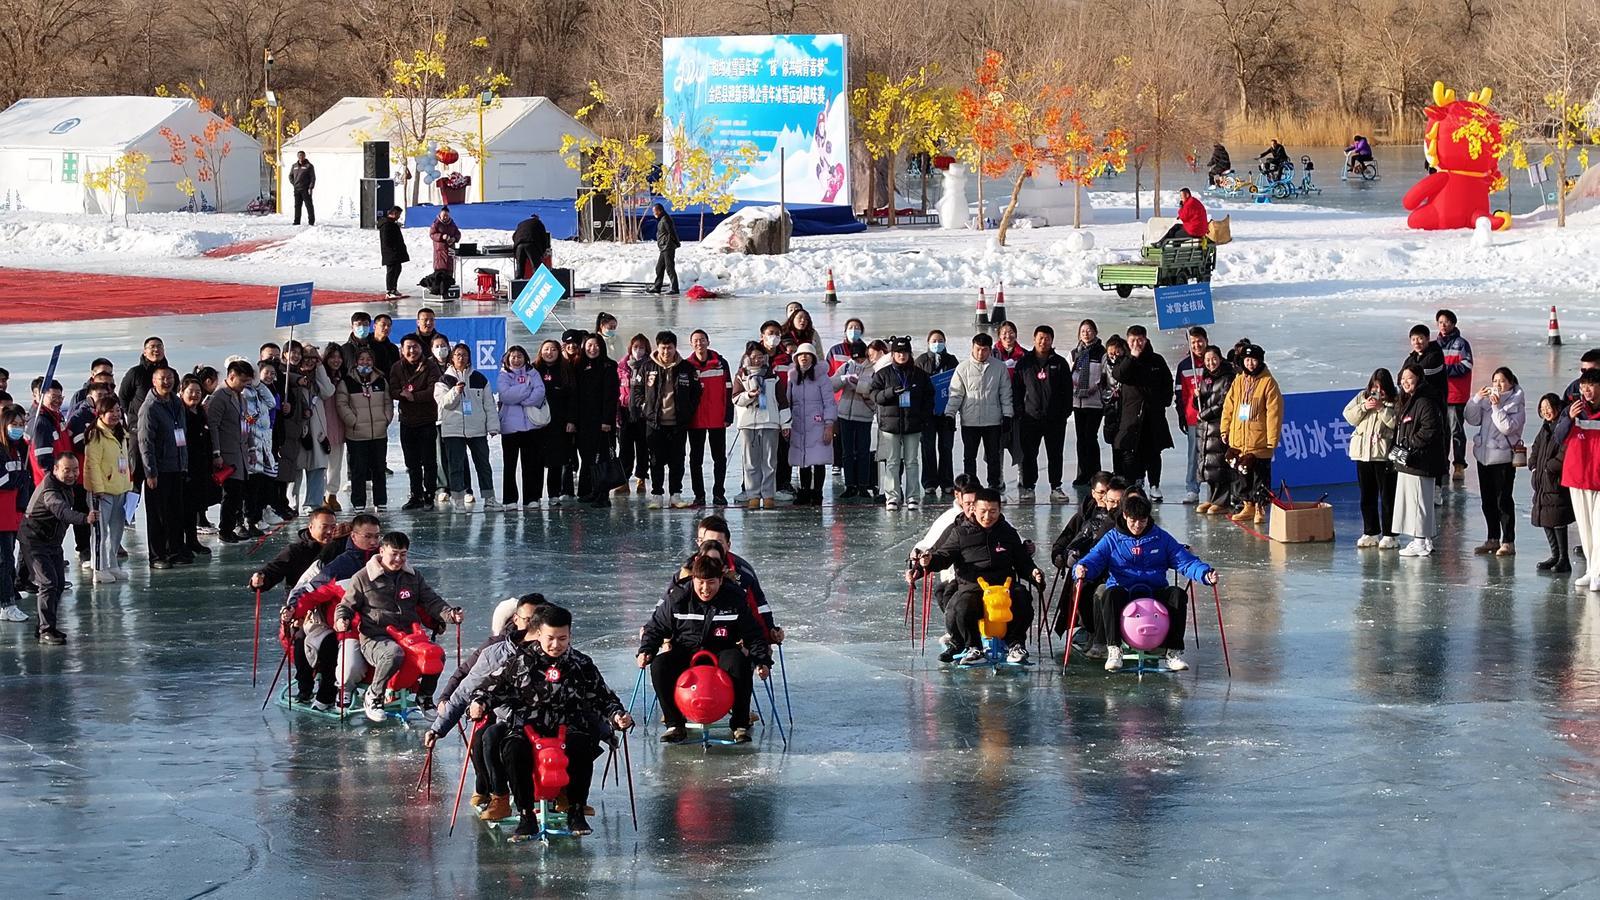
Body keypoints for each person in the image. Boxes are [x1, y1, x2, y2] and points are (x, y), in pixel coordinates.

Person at [451, 603, 631, 837]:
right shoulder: (520, 662)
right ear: (538, 634)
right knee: (513, 749)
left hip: (567, 726)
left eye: (562, 638)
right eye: (550, 638)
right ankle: (526, 814)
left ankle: (576, 810)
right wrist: (479, 703)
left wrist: (618, 715)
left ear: (570, 635)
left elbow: (603, 697)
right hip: (527, 727)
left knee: (582, 744)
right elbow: (490, 689)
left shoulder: (581, 664)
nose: (556, 645)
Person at [428, 594, 543, 822]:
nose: (532, 625)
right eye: (527, 619)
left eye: (538, 619)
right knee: (485, 739)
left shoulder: (555, 649)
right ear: (515, 619)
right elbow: (467, 681)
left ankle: (565, 796)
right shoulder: (496, 649)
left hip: (547, 719)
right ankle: (494, 792)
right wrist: (442, 717)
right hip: (505, 716)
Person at [637, 554, 772, 743]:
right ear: (693, 579)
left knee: (739, 663)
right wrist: (647, 650)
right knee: (660, 665)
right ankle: (674, 724)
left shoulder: (734, 599)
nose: (705, 589)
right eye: (701, 582)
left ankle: (740, 724)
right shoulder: (677, 599)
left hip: (722, 650)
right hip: (686, 650)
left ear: (720, 581)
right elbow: (656, 627)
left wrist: (762, 661)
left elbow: (753, 634)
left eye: (711, 583)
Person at [1075, 492, 1216, 672]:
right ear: (1125, 515)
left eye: (1142, 520)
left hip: (1154, 591)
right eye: (1133, 520)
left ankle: (1173, 652)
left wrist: (1205, 574)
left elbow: (1185, 562)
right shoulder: (1112, 538)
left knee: (1177, 594)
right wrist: (1083, 568)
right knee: (1109, 594)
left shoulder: (1160, 538)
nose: (1137, 525)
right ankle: (1114, 650)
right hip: (1124, 591)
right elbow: (1094, 558)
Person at [332, 531, 464, 721]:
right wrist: (342, 619)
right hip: (376, 637)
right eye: (394, 554)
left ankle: (424, 697)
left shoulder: (413, 577)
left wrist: (450, 614)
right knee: (393, 653)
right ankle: (374, 696)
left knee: (436, 654)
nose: (398, 559)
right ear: (382, 551)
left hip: (410, 636)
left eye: (403, 554)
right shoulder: (362, 578)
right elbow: (345, 605)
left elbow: (432, 601)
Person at [920, 487, 1045, 665]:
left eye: (993, 511)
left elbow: (1023, 561)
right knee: (961, 606)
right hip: (974, 587)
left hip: (1003, 587)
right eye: (983, 511)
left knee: (1022, 597)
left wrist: (1034, 573)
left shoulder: (1008, 533)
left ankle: (1015, 644)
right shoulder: (960, 533)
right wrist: (929, 561)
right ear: (974, 509)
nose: (987, 517)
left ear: (1000, 509)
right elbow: (943, 556)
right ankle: (973, 647)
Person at [19, 455, 97, 644]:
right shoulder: (50, 490)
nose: (72, 474)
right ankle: (45, 630)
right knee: (48, 583)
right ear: (55, 470)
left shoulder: (66, 486)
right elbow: (62, 512)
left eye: (75, 470)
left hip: (52, 542)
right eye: (66, 470)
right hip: (34, 541)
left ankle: (46, 626)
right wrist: (85, 519)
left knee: (59, 584)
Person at [1048, 473, 1127, 648]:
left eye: (1109, 494)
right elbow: (1068, 537)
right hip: (1088, 568)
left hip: (1113, 571)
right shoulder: (1087, 513)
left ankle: (1098, 632)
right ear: (1093, 493)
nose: (1105, 498)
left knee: (1096, 590)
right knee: (1082, 587)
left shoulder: (1125, 518)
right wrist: (1060, 555)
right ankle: (1089, 629)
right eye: (1101, 493)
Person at [632, 330, 701, 509]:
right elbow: (637, 390)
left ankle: (675, 495)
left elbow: (696, 393)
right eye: (663, 348)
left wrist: (687, 411)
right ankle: (657, 494)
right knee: (656, 460)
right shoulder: (647, 367)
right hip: (655, 423)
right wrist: (645, 408)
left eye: (669, 348)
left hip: (678, 424)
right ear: (658, 347)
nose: (666, 352)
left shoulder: (686, 368)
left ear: (675, 348)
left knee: (677, 460)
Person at [1218, 343, 1283, 525]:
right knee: (1243, 476)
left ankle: (1260, 508)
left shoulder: (1268, 383)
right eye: (1247, 360)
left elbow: (1274, 413)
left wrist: (1272, 439)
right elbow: (1229, 407)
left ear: (1260, 361)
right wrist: (1225, 429)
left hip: (1259, 441)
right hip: (1239, 439)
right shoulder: (1238, 380)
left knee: (1259, 478)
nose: (1250, 364)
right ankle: (1248, 506)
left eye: (1253, 360)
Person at [1108, 326, 1174, 502]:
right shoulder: (1124, 360)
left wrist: (1164, 402)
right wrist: (1132, 357)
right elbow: (1119, 375)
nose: (1136, 343)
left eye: (1140, 340)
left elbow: (1168, 382)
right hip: (1131, 416)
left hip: (1153, 415)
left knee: (1153, 452)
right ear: (1127, 341)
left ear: (1145, 340)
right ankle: (1134, 485)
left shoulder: (1156, 360)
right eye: (1132, 340)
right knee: (1131, 452)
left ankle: (1154, 485)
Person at [1464, 368, 1525, 556]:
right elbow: (1471, 419)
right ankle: (1492, 538)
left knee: (1503, 501)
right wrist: (1476, 399)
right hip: (1484, 457)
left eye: (1502, 381)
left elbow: (1507, 428)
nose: (1498, 385)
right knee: (1487, 500)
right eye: (1495, 381)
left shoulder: (1516, 404)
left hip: (1503, 459)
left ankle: (1508, 541)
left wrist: (1497, 407)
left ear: (1511, 383)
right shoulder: (1487, 400)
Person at [870, 337, 936, 510]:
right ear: (892, 354)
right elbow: (874, 395)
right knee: (892, 462)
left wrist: (923, 417)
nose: (902, 355)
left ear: (909, 354)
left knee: (912, 461)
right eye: (898, 352)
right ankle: (892, 497)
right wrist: (891, 392)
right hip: (890, 426)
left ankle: (913, 496)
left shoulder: (919, 374)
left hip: (913, 425)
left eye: (905, 352)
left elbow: (929, 397)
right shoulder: (883, 374)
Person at [696, 515, 783, 640]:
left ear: (728, 545)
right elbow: (672, 605)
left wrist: (769, 632)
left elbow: (758, 603)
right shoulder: (688, 570)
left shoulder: (741, 573)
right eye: (708, 542)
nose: (713, 547)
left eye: (719, 543)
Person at [436, 343, 500, 509]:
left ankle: (489, 498)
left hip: (477, 429)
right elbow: (443, 404)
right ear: (452, 358)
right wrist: (455, 391)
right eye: (458, 354)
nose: (461, 358)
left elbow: (489, 405)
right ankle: (458, 500)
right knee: (456, 466)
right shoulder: (444, 380)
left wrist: (493, 426)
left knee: (483, 465)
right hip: (453, 430)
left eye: (464, 354)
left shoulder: (480, 378)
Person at [1012, 325, 1072, 503]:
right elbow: (1017, 390)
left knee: (1055, 454)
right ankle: (1029, 487)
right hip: (1030, 418)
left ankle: (1056, 487)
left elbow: (1068, 391)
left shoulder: (1060, 363)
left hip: (1055, 419)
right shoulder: (1025, 363)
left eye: (1047, 338)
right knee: (1029, 454)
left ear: (1052, 340)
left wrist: (1064, 413)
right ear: (1034, 339)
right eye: (1040, 338)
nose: (1043, 342)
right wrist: (1020, 411)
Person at [1391, 364, 1446, 558]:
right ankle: (1425, 539)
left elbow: (1430, 429)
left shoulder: (1424, 401)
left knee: (1418, 502)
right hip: (1414, 460)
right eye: (1403, 379)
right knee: (1420, 501)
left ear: (1419, 379)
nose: (1405, 382)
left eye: (1410, 378)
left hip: (1420, 460)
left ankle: (1420, 541)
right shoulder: (1410, 400)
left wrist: (1409, 443)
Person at [946, 333, 1012, 493]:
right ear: (972, 348)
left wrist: (1007, 415)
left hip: (993, 420)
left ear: (990, 350)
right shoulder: (962, 368)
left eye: (984, 349)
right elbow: (956, 394)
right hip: (970, 421)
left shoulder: (999, 367)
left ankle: (994, 485)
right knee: (969, 457)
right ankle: (971, 487)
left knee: (993, 456)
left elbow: (1005, 393)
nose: (980, 353)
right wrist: (950, 414)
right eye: (977, 349)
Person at [139, 366, 189, 570]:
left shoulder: (176, 402)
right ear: (154, 381)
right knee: (158, 515)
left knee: (175, 512)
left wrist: (183, 463)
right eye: (162, 378)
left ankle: (174, 550)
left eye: (170, 378)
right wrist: (150, 472)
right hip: (159, 469)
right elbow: (145, 442)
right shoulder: (149, 407)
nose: (167, 382)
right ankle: (157, 555)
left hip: (176, 465)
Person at [1344, 369, 1400, 548]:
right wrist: (1364, 407)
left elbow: (1396, 423)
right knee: (1367, 495)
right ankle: (1370, 531)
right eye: (1375, 387)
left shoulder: (1395, 400)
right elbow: (1348, 416)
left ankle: (1390, 534)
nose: (1378, 391)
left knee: (1387, 497)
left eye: (1382, 388)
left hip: (1383, 455)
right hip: (1363, 454)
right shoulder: (1362, 396)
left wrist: (1381, 409)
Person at [81, 396, 132, 584]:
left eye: (118, 410)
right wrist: (98, 488)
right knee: (100, 532)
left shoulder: (120, 433)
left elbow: (125, 461)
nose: (115, 414)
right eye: (111, 411)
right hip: (102, 492)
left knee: (117, 531)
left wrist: (128, 485)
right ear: (100, 414)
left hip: (120, 489)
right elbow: (92, 464)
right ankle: (99, 568)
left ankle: (112, 564)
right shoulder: (96, 435)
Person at [734, 343, 791, 510]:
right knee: (750, 462)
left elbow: (782, 401)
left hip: (770, 422)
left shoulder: (772, 376)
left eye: (760, 357)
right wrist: (749, 395)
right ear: (747, 358)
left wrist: (785, 423)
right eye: (754, 357)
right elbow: (736, 398)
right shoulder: (741, 376)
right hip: (748, 423)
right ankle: (753, 495)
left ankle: (768, 495)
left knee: (770, 461)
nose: (757, 360)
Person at [337, 348, 394, 511]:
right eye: (362, 359)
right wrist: (353, 421)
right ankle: (358, 502)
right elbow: (341, 404)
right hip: (357, 435)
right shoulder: (347, 381)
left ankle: (381, 501)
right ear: (356, 362)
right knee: (358, 470)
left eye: (368, 359)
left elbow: (388, 402)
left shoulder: (381, 380)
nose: (365, 362)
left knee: (379, 469)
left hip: (379, 433)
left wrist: (386, 419)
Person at [390, 336, 442, 510]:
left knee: (429, 461)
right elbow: (392, 389)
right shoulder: (397, 367)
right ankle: (416, 495)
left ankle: (430, 495)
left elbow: (434, 390)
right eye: (408, 347)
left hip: (426, 420)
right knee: (412, 463)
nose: (412, 351)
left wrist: (414, 396)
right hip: (407, 421)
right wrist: (401, 394)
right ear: (402, 350)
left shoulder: (431, 366)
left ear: (421, 348)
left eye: (415, 347)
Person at [685, 330, 734, 507]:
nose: (699, 343)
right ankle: (699, 495)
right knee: (695, 459)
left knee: (719, 458)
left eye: (702, 340)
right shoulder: (687, 366)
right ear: (691, 344)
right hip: (696, 419)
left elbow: (729, 389)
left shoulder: (721, 363)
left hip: (717, 418)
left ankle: (719, 493)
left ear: (708, 341)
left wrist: (729, 414)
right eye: (696, 341)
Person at [497, 345, 549, 509]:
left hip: (531, 426)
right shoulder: (503, 375)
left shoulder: (533, 373)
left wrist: (521, 398)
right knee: (510, 465)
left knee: (530, 465)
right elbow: (506, 396)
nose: (516, 360)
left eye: (519, 356)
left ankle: (531, 498)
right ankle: (510, 499)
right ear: (508, 359)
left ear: (525, 358)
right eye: (513, 357)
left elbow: (540, 392)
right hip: (510, 428)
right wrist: (527, 387)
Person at [786, 343, 837, 506]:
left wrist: (829, 424)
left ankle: (818, 492)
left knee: (818, 460)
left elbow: (829, 402)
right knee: (803, 460)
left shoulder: (822, 378)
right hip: (799, 424)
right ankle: (805, 490)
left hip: (818, 424)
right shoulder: (793, 378)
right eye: (801, 355)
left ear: (813, 358)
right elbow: (788, 401)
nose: (804, 357)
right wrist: (786, 422)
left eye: (807, 355)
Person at [1530, 393, 1575, 574]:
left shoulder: (1563, 427)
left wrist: (1550, 468)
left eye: (1548, 407)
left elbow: (1565, 452)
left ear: (1557, 407)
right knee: (1545, 518)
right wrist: (1533, 466)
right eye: (1542, 409)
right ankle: (1555, 555)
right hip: (1542, 482)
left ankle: (1564, 559)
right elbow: (1536, 447)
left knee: (1557, 519)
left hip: (1555, 481)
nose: (1546, 412)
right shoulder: (1545, 428)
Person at [574, 335, 619, 507]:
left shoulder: (608, 366)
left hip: (602, 421)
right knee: (587, 457)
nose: (593, 349)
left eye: (596, 345)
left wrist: (607, 420)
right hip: (584, 421)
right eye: (589, 345)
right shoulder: (579, 366)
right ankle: (591, 490)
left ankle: (603, 495)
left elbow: (611, 395)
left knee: (602, 458)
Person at [1566, 370, 1600, 591]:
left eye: (1592, 385)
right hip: (1578, 475)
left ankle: (1598, 572)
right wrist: (1569, 418)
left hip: (1598, 475)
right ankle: (1591, 569)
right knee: (1585, 527)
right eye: (1583, 385)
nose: (1586, 390)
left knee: (1599, 528)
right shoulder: (1574, 408)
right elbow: (1558, 436)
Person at [831, 340, 877, 501]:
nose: (858, 361)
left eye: (860, 358)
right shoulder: (846, 366)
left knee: (863, 451)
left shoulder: (873, 369)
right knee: (847, 452)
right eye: (855, 358)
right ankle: (850, 485)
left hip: (864, 415)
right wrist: (844, 379)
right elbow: (832, 384)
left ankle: (863, 485)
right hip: (845, 415)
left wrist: (858, 384)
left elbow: (872, 389)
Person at [914, 331, 959, 498]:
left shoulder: (951, 360)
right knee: (928, 448)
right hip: (927, 413)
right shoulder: (921, 361)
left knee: (946, 447)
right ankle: (929, 482)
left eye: (940, 340)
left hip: (946, 412)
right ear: (928, 342)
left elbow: (957, 384)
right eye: (934, 340)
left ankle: (947, 482)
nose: (937, 343)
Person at [1193, 347, 1236, 516]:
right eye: (1207, 360)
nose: (1211, 363)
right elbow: (1199, 404)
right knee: (1209, 464)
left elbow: (1224, 403)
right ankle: (1211, 498)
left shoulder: (1228, 377)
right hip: (1206, 427)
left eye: (1214, 359)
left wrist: (1205, 414)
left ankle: (1222, 501)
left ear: (1220, 358)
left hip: (1219, 425)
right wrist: (1197, 397)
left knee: (1219, 465)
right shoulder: (1205, 378)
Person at [533, 340, 576, 506]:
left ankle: (554, 494)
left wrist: (571, 419)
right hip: (537, 422)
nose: (549, 353)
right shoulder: (534, 369)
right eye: (546, 349)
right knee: (536, 460)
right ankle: (535, 495)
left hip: (559, 421)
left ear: (559, 352)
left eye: (553, 349)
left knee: (556, 460)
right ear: (541, 351)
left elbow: (573, 397)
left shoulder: (565, 369)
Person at [0, 404, 32, 623]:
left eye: (21, 424)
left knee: (8, 557)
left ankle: (7, 597)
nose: (18, 428)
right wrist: (14, 478)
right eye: (14, 424)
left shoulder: (19, 449)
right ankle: (6, 604)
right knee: (4, 560)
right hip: (2, 513)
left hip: (13, 512)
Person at [1172, 326, 1210, 504]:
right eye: (1193, 342)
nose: (1197, 345)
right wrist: (1181, 414)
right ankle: (1192, 488)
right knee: (1194, 455)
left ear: (1206, 341)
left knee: (1215, 455)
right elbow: (1180, 393)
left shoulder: (1213, 361)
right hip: (1194, 417)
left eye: (1200, 341)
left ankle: (1217, 489)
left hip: (1214, 418)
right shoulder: (1185, 365)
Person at [1069, 320, 1107, 489]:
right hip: (1078, 402)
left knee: (1090, 437)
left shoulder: (1101, 352)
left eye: (1089, 330)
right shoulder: (1074, 353)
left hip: (1095, 402)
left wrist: (1095, 387)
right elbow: (1068, 374)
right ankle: (1082, 473)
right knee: (1081, 439)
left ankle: (1095, 473)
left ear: (1095, 332)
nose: (1086, 333)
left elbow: (1105, 375)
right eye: (1083, 331)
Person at [1436, 309, 1473, 480]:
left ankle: (1459, 465)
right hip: (1439, 396)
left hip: (1456, 395)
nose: (1443, 325)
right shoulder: (1434, 345)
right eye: (1440, 322)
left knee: (1456, 430)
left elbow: (1466, 365)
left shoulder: (1461, 344)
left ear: (1453, 323)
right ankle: (1442, 464)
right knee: (1441, 432)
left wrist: (1443, 370)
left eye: (1446, 322)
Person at [616, 334, 652, 496]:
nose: (638, 351)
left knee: (643, 447)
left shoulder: (650, 366)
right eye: (636, 347)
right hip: (625, 411)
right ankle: (624, 480)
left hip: (643, 413)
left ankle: (641, 478)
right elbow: (616, 390)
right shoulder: (622, 367)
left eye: (642, 347)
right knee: (625, 448)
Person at [647, 203, 680, 295]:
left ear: (659, 211)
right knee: (659, 267)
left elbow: (672, 232)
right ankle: (657, 287)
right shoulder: (662, 219)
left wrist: (676, 242)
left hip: (667, 246)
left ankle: (675, 288)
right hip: (663, 247)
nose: (654, 213)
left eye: (654, 211)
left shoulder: (665, 219)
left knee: (669, 268)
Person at [427, 207, 460, 295]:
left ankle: (448, 292)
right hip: (440, 252)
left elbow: (458, 233)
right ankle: (438, 291)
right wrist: (442, 236)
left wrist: (454, 238)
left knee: (449, 272)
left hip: (450, 251)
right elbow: (432, 234)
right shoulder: (436, 224)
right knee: (440, 272)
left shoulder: (452, 223)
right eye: (443, 215)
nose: (445, 217)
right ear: (440, 215)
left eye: (446, 215)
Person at [378, 206, 408, 300]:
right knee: (391, 271)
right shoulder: (386, 224)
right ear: (394, 213)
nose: (399, 217)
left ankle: (394, 289)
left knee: (397, 269)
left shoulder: (392, 224)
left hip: (396, 252)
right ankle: (389, 291)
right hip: (390, 252)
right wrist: (393, 249)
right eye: (398, 214)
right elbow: (386, 240)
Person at [511, 212, 552, 277]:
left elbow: (514, 236)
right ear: (537, 218)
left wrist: (517, 243)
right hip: (531, 244)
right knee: (536, 266)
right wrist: (543, 251)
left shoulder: (521, 224)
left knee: (520, 268)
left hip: (519, 246)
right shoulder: (539, 223)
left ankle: (518, 281)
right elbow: (544, 238)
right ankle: (538, 280)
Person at [288, 151, 316, 225]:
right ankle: (297, 221)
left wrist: (310, 187)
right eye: (299, 156)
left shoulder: (309, 166)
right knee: (297, 206)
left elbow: (313, 178)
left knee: (309, 205)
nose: (301, 157)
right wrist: (294, 183)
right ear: (297, 156)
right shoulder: (294, 166)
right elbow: (290, 176)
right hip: (297, 189)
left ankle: (311, 221)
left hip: (306, 189)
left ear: (304, 156)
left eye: (302, 156)